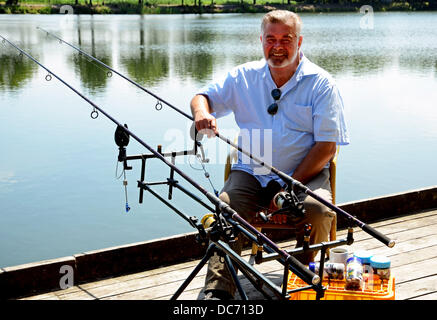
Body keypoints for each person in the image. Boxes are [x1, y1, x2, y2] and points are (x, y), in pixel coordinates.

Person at [190, 10, 349, 300]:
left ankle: (306, 278)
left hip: (305, 176)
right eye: (270, 39)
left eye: (286, 39)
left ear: (299, 41)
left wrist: (291, 184)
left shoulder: (322, 83)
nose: (277, 47)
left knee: (320, 211)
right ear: (260, 41)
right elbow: (202, 97)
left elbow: (327, 146)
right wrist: (202, 113)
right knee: (225, 208)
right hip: (251, 173)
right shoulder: (243, 76)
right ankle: (218, 289)